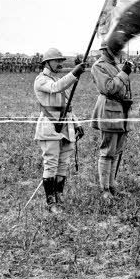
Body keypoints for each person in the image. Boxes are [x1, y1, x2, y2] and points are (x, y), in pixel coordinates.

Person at [34, 48, 87, 213]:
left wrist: (76, 123)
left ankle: (59, 196)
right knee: (51, 164)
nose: (60, 63)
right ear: (47, 62)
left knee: (63, 164)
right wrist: (74, 73)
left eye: (61, 61)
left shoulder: (57, 79)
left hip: (65, 126)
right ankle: (51, 203)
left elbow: (67, 105)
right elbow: (56, 87)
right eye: (57, 60)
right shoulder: (41, 80)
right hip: (49, 127)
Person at [90, 33, 134, 202]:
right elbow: (108, 88)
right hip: (109, 110)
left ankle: (112, 185)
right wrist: (124, 73)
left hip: (121, 110)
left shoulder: (116, 65)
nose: (117, 51)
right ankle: (105, 189)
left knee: (116, 151)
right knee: (107, 151)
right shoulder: (98, 66)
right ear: (105, 50)